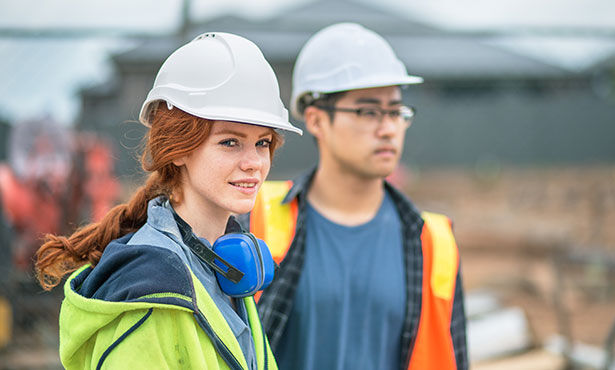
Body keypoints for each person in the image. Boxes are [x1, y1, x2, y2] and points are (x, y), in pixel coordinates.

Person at [34, 32, 302, 370]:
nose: (254, 162)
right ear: (179, 148)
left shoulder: (220, 265)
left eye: (262, 143)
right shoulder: (151, 294)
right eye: (230, 142)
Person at [244, 23, 468, 369]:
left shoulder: (433, 243)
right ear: (317, 121)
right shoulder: (254, 217)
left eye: (395, 112)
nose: (388, 128)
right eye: (368, 112)